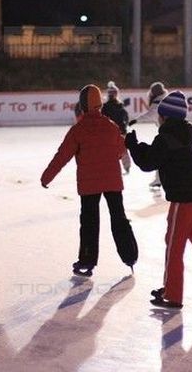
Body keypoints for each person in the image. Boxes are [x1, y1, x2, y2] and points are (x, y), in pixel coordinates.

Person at [125, 90, 192, 308]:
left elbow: (148, 162)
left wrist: (132, 144)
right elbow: (158, 155)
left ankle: (172, 295)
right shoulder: (184, 134)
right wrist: (140, 147)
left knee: (174, 246)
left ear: (165, 116)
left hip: (183, 199)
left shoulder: (165, 137)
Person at [41, 84, 138, 277]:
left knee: (89, 221)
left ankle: (87, 260)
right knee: (118, 217)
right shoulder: (111, 126)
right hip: (112, 181)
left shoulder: (78, 130)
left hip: (89, 184)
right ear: (99, 104)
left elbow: (62, 156)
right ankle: (130, 256)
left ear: (83, 105)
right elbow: (121, 150)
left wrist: (47, 177)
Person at [128, 81, 168, 189]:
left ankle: (159, 179)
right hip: (171, 131)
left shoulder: (158, 103)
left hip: (166, 132)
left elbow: (150, 114)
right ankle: (160, 179)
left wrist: (136, 120)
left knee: (160, 155)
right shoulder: (166, 99)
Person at [101, 81, 131, 174]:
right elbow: (126, 118)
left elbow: (102, 119)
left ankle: (111, 166)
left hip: (110, 132)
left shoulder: (104, 107)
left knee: (110, 150)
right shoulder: (120, 106)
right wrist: (125, 126)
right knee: (123, 149)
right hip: (121, 131)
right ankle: (126, 166)